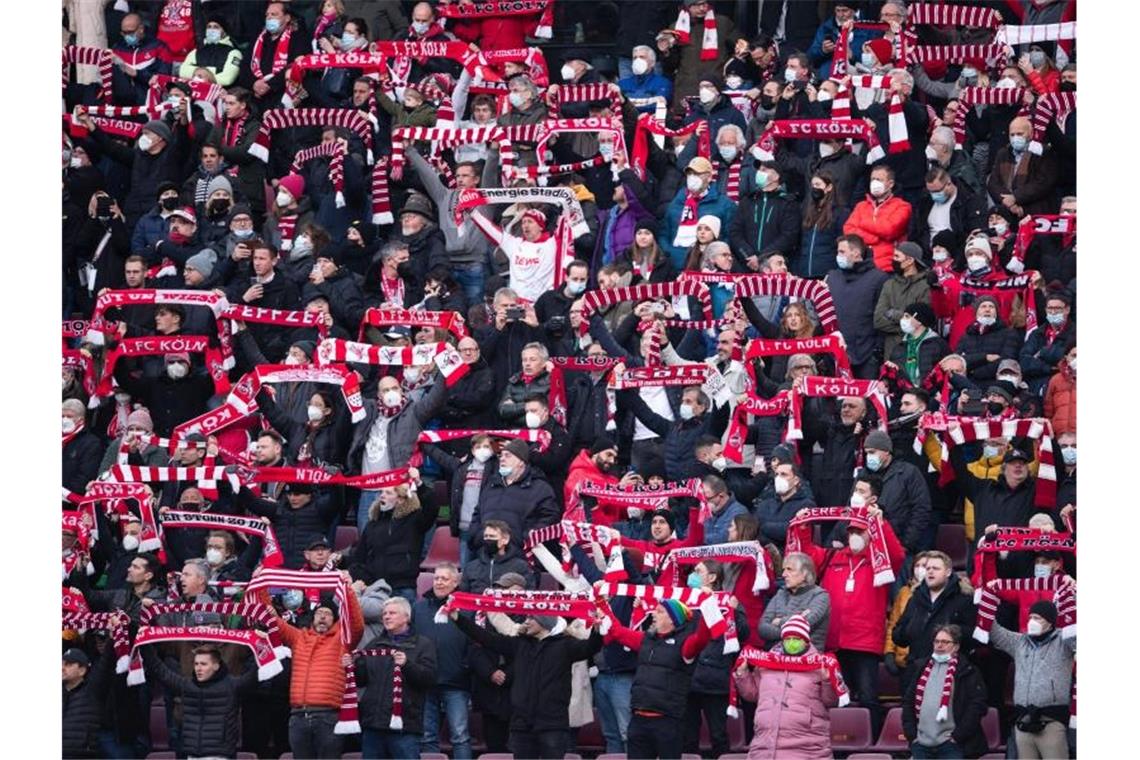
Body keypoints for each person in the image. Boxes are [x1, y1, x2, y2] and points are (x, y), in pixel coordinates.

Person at [787, 483, 905, 736]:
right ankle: (839, 742)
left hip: (864, 642)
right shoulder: (833, 557)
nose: (854, 535)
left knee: (868, 698)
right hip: (834, 641)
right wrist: (804, 526)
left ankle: (870, 744)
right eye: (851, 530)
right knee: (836, 698)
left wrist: (881, 525)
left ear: (870, 534)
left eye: (860, 531)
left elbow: (897, 556)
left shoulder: (879, 561)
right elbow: (806, 554)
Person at [451, 606, 604, 759]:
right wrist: (458, 618)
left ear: (545, 622)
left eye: (532, 618)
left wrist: (597, 629)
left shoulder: (565, 645)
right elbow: (486, 638)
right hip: (521, 725)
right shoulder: (519, 644)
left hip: (553, 725)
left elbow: (590, 647)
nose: (527, 622)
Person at [256, 577, 364, 760]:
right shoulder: (299, 637)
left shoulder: (343, 639)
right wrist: (261, 585)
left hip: (328, 718)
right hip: (298, 717)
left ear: (335, 619)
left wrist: (348, 590)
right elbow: (271, 618)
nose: (322, 616)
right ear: (312, 618)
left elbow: (356, 623)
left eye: (328, 614)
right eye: (319, 613)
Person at [601, 596, 714, 759]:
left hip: (667, 722)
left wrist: (708, 607)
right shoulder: (645, 639)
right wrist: (602, 604)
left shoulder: (685, 645)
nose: (654, 614)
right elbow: (616, 631)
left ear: (673, 620)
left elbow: (702, 638)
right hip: (639, 719)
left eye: (660, 612)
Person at [732, 615, 838, 759]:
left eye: (796, 639)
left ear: (806, 640)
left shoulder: (820, 664)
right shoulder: (766, 663)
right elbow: (752, 695)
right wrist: (742, 674)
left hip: (807, 748)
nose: (791, 642)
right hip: (765, 745)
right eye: (787, 639)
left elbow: (831, 701)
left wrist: (827, 680)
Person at [140, 643, 260, 760]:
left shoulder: (233, 686)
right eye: (196, 664)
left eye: (203, 664)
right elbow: (160, 670)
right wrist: (143, 643)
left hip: (221, 755)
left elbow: (255, 673)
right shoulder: (187, 685)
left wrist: (264, 644)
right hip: (191, 755)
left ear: (216, 666)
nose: (198, 668)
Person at [354, 597, 438, 760]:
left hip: (404, 727)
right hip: (373, 725)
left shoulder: (422, 644)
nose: (386, 616)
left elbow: (429, 678)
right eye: (384, 613)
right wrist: (353, 666)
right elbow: (361, 680)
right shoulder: (374, 645)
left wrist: (407, 664)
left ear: (406, 617)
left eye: (392, 613)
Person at [990, 601, 1075, 760]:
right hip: (1024, 722)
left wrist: (1072, 600)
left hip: (1051, 723)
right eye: (1030, 617)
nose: (1032, 622)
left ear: (1050, 621)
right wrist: (984, 604)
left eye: (1037, 618)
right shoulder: (1020, 642)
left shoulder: (1064, 641)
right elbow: (995, 633)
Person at [682, 562, 750, 758]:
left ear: (712, 578)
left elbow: (743, 635)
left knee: (718, 736)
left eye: (698, 572)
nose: (692, 576)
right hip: (689, 678)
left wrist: (735, 612)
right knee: (687, 737)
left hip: (715, 680)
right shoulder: (687, 601)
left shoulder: (729, 601)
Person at [901, 625, 990, 759]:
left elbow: (977, 705)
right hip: (921, 744)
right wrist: (912, 735)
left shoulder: (968, 670)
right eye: (936, 641)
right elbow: (908, 702)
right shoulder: (920, 667)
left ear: (956, 646)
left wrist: (958, 736)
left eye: (945, 642)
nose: (939, 646)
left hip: (951, 746)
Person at [412, 563, 473, 759]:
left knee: (460, 735)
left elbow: (475, 642)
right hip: (425, 681)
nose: (438, 582)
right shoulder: (419, 608)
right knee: (427, 736)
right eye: (436, 578)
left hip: (456, 682)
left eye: (444, 578)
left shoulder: (467, 608)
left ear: (455, 582)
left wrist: (465, 666)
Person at [350, 478, 439, 604]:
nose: (382, 495)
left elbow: (432, 508)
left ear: (401, 499)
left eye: (388, 493)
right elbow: (360, 555)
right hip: (375, 588)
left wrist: (419, 483)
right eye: (382, 492)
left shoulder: (415, 520)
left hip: (402, 587)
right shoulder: (373, 523)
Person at [891, 551, 977, 675]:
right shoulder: (915, 598)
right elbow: (898, 636)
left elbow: (975, 636)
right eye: (928, 568)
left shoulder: (964, 599)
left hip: (951, 671)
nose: (930, 571)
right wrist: (909, 630)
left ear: (948, 572)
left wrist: (952, 632)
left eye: (936, 568)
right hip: (916, 670)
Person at [467, 440, 559, 553]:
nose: (502, 459)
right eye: (501, 455)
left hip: (520, 557)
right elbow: (477, 515)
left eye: (508, 455)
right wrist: (478, 537)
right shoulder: (491, 485)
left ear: (521, 461)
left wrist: (522, 540)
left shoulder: (540, 488)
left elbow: (549, 520)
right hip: (485, 555)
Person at [827, 234, 889, 378]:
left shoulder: (879, 278)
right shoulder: (832, 277)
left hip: (867, 357)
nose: (838, 256)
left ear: (856, 253)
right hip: (835, 355)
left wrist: (877, 352)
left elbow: (882, 317)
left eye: (842, 252)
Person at [843, 164, 913, 273]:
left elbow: (889, 230)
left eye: (879, 179)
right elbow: (848, 230)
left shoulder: (902, 206)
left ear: (890, 184)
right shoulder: (861, 205)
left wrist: (863, 223)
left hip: (887, 268)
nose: (874, 183)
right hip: (861, 265)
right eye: (872, 179)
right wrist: (874, 238)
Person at [757, 552, 830, 651]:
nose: (784, 575)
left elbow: (805, 623)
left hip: (806, 658)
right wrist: (792, 630)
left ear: (805, 573)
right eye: (784, 570)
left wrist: (779, 621)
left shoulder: (820, 596)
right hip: (774, 656)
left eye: (789, 569)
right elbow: (762, 628)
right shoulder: (780, 594)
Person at [874, 242, 933, 361]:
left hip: (916, 351)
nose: (893, 260)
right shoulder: (889, 284)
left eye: (897, 256)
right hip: (891, 351)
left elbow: (921, 322)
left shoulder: (925, 286)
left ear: (910, 260)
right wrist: (906, 325)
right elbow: (878, 320)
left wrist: (894, 314)